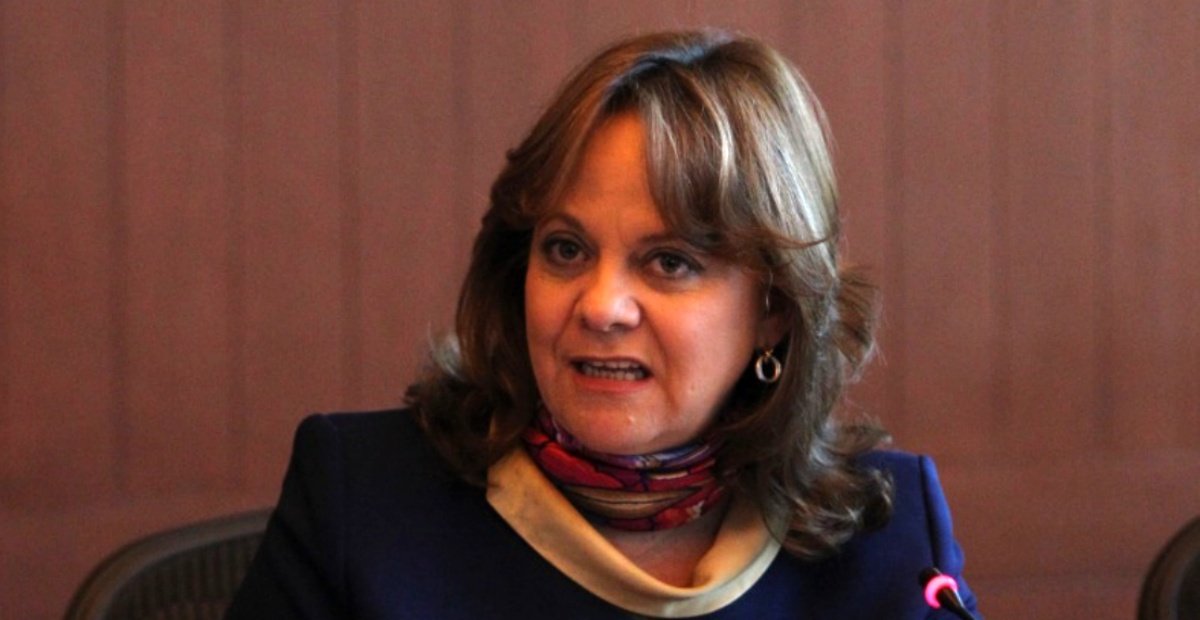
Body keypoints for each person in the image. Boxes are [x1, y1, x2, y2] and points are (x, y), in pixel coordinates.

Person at [227, 30, 979, 619]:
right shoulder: (361, 498)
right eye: (566, 250)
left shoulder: (888, 534)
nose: (600, 306)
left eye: (669, 262)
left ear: (774, 309)